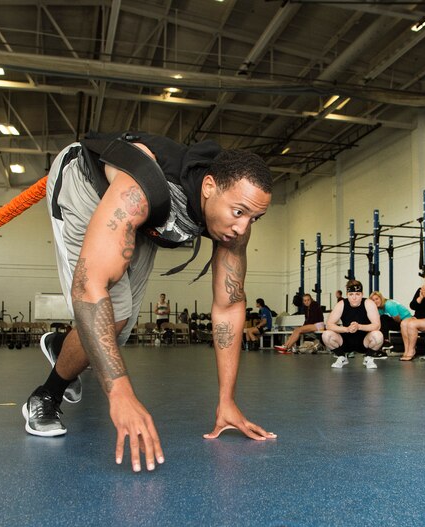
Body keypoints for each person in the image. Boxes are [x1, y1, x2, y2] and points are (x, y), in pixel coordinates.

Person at [23, 131, 277, 472]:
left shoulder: (232, 224)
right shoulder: (140, 189)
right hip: (86, 184)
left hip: (148, 219)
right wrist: (121, 394)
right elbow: (89, 287)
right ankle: (45, 396)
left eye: (253, 218)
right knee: (112, 316)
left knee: (116, 331)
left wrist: (226, 400)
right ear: (209, 187)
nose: (243, 227)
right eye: (239, 212)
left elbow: (229, 306)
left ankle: (63, 344)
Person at [322, 280, 384, 369]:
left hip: (364, 341)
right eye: (351, 294)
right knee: (326, 335)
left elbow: (377, 325)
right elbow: (329, 325)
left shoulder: (368, 303)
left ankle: (368, 357)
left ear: (362, 294)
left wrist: (359, 326)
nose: (354, 297)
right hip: (345, 341)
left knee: (378, 335)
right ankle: (341, 357)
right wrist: (347, 329)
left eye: (357, 294)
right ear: (347, 295)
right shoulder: (341, 304)